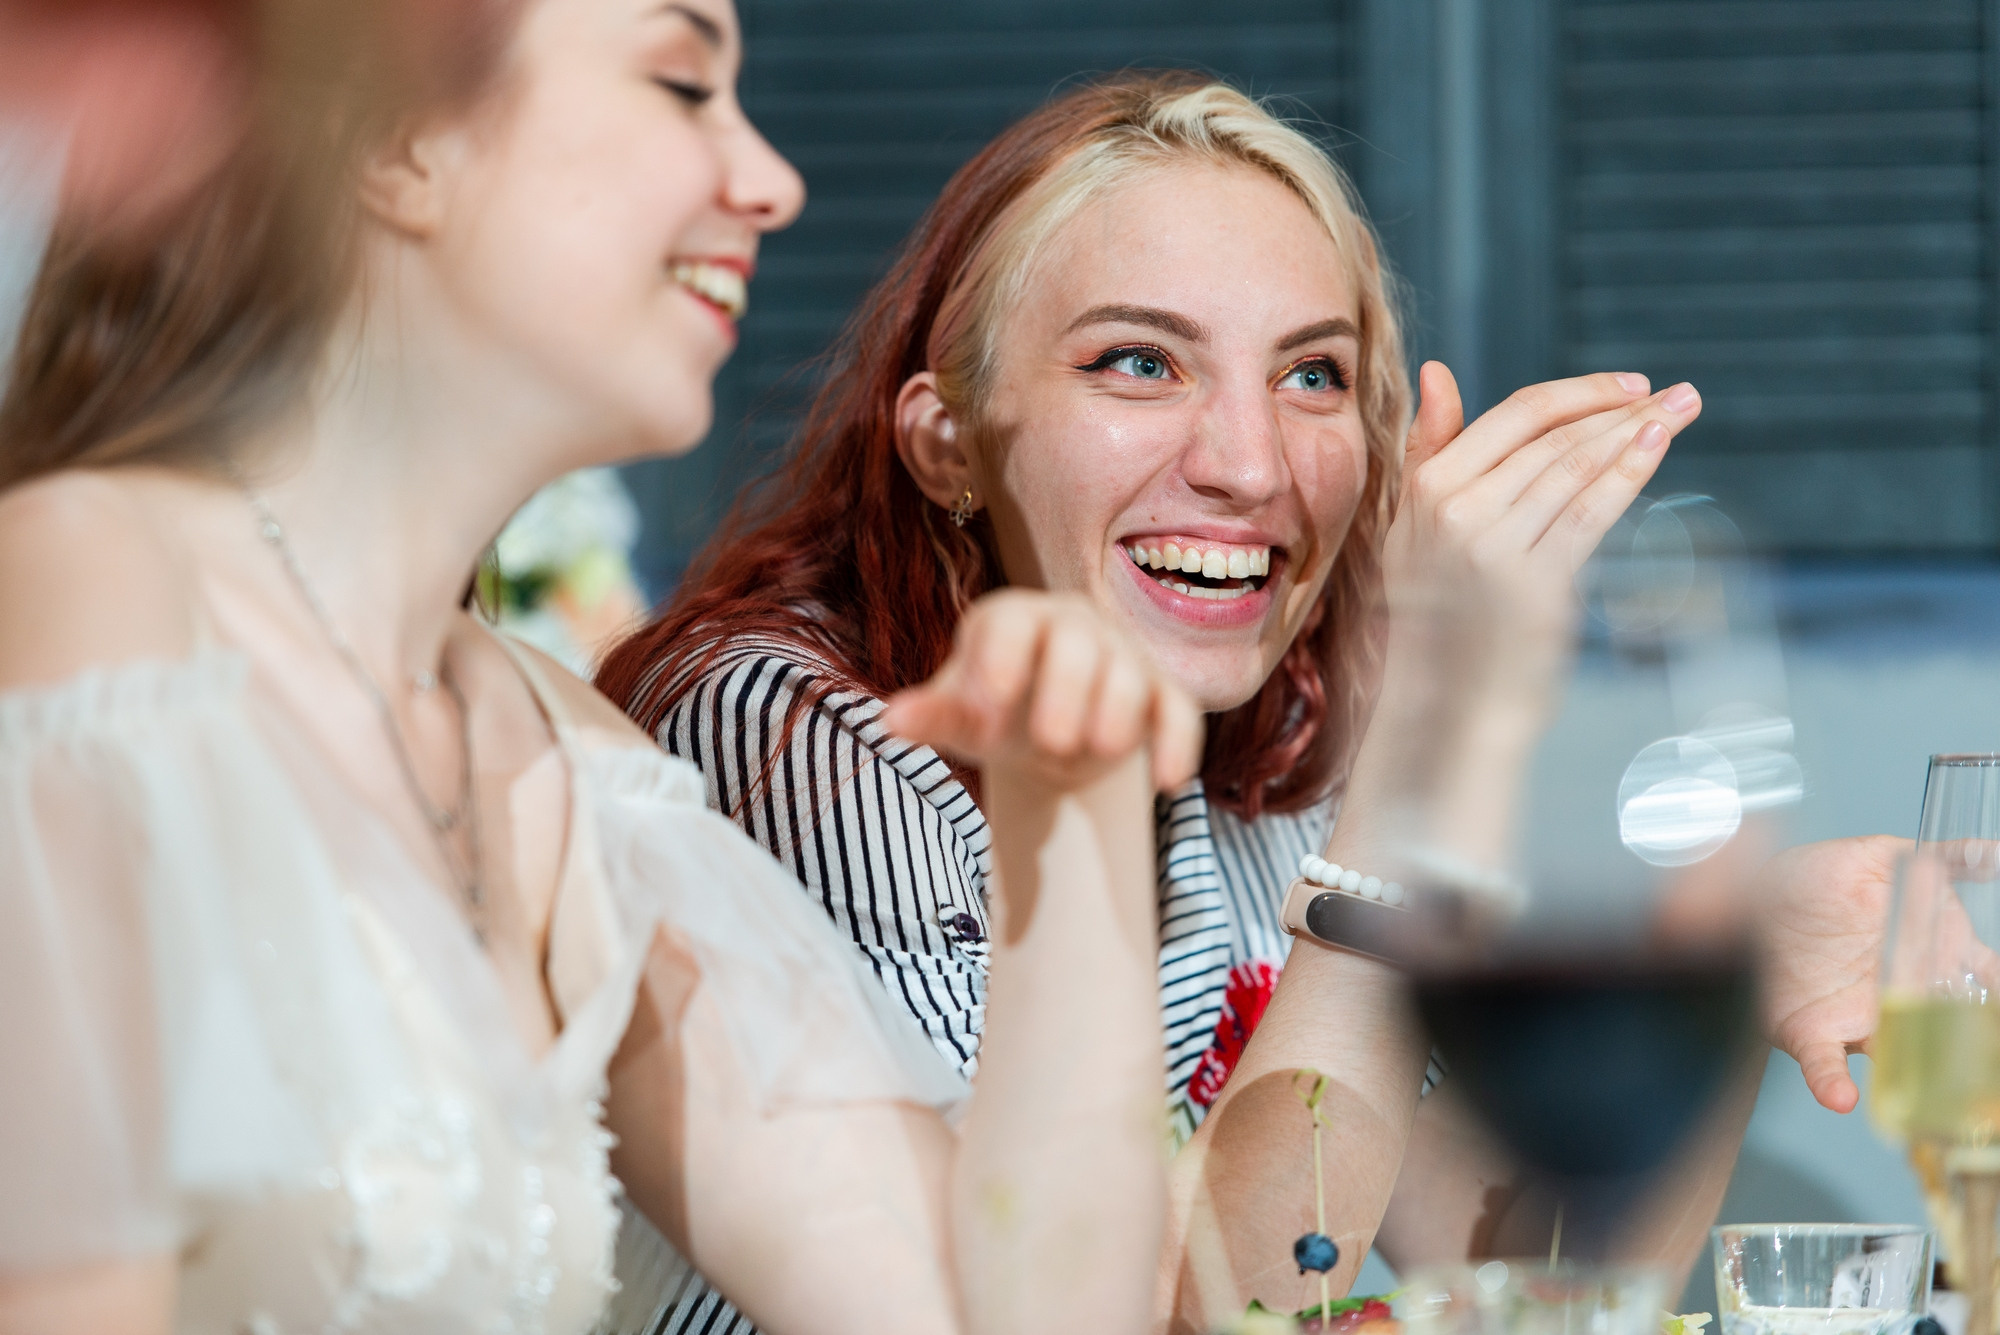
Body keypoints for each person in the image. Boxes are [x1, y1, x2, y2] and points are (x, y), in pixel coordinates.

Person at [0, 3, 1203, 1332]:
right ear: (403, 141)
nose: (772, 179)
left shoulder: (569, 769)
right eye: (684, 84)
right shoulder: (90, 591)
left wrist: (1066, 807)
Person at [599, 72, 1761, 1334]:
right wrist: (1420, 765)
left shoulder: (1267, 726)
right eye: (1140, 362)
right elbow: (1148, 1313)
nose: (1249, 465)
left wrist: (1750, 989)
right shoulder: (787, 736)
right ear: (947, 444)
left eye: (1311, 377)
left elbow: (1518, 1265)